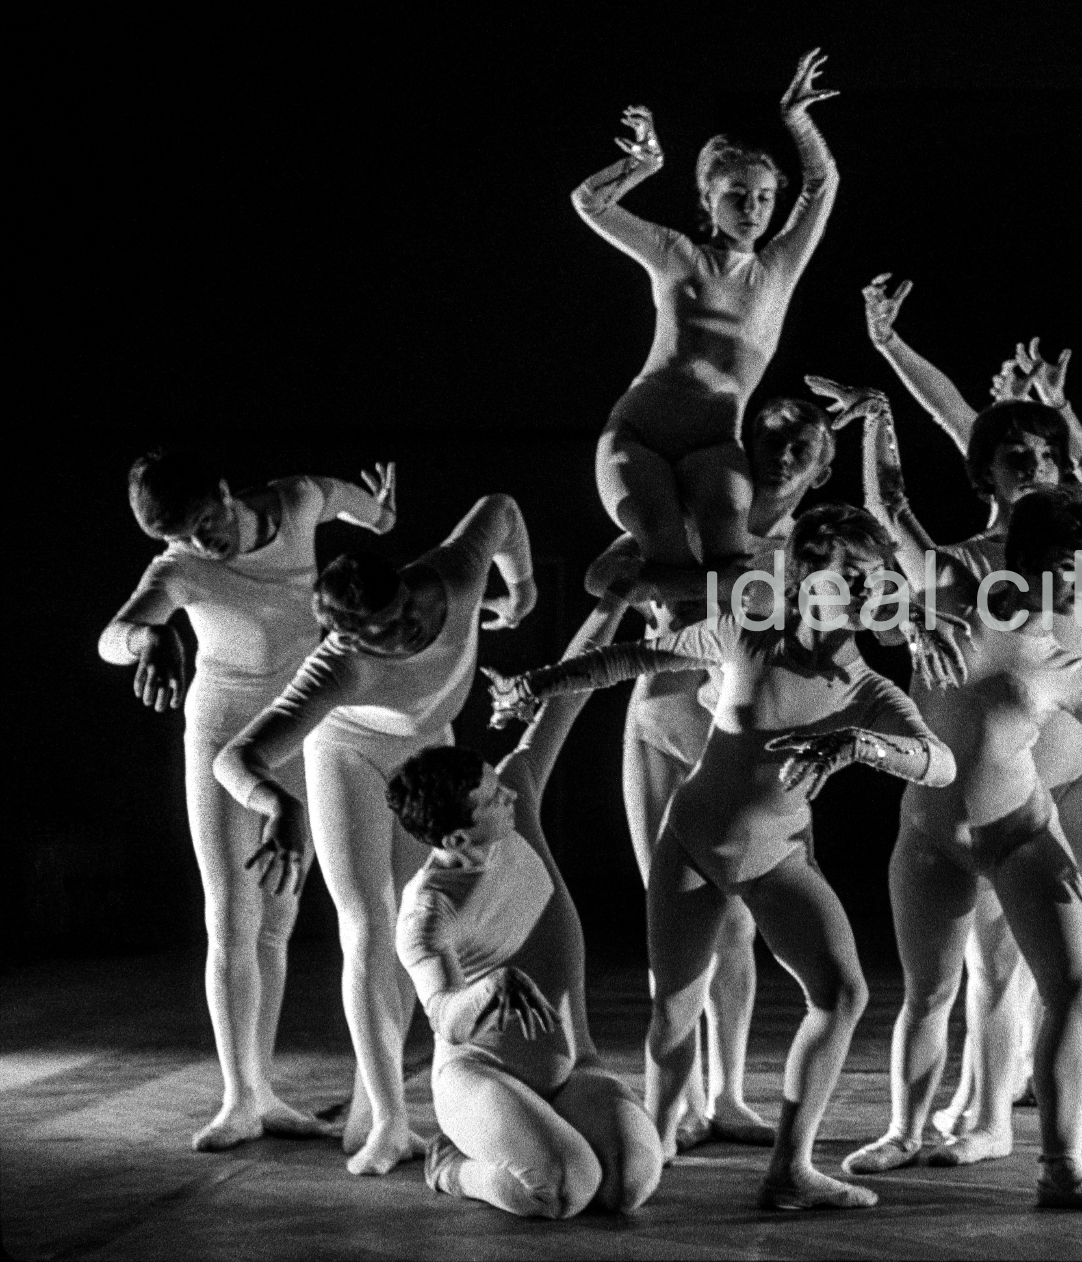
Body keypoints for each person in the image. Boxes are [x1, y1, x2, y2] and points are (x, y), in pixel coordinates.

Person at [488, 503, 957, 1211]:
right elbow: (629, 659)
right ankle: (661, 1137)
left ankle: (789, 1170)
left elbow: (940, 763)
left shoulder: (866, 689)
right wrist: (537, 684)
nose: (869, 589)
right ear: (804, 580)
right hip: (694, 844)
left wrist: (865, 746)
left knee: (842, 994)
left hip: (776, 858)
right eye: (852, 575)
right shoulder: (745, 633)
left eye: (878, 576)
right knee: (675, 1009)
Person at [842, 489, 1082, 1211]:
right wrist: (907, 612)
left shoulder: (1058, 660)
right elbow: (884, 529)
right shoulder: (943, 614)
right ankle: (904, 1130)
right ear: (1039, 562)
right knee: (929, 993)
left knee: (1069, 988)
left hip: (1020, 836)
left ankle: (1061, 1165)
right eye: (1076, 565)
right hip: (929, 837)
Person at [213, 493, 537, 1175]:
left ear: (404, 589)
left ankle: (372, 1103)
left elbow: (499, 509)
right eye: (377, 635)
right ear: (347, 638)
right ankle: (390, 1122)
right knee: (367, 922)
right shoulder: (336, 668)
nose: (400, 636)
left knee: (416, 929)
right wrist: (276, 804)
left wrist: (522, 589)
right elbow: (234, 757)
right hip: (349, 756)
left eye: (400, 618)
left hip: (425, 747)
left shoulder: (451, 575)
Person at [99, 451, 396, 1151]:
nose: (204, 544)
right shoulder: (179, 566)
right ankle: (239, 1098)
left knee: (279, 913)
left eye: (207, 524)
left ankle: (264, 1093)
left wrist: (382, 510)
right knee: (231, 910)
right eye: (182, 537)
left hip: (299, 725)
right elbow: (112, 636)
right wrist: (147, 635)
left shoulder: (297, 502)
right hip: (220, 731)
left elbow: (373, 513)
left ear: (226, 491)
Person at [598, 397, 839, 1149]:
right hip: (662, 720)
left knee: (738, 921)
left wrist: (688, 593)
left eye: (802, 441)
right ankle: (682, 1101)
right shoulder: (697, 516)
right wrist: (665, 581)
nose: (784, 451)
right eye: (770, 435)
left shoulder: (812, 543)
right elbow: (607, 576)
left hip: (744, 736)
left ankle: (728, 1094)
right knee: (673, 921)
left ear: (822, 464)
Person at [387, 605, 661, 1219]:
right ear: (456, 840)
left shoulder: (521, 801)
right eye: (490, 797)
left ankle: (549, 1133)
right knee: (565, 1190)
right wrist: (491, 989)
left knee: (628, 1185)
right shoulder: (427, 914)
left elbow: (567, 696)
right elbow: (448, 1022)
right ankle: (453, 1167)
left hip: (573, 1068)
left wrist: (612, 602)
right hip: (481, 1077)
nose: (507, 790)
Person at [574, 49, 838, 571]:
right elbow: (590, 202)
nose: (752, 208)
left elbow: (821, 184)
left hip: (715, 442)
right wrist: (643, 163)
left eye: (764, 197)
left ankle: (719, 640)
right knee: (666, 549)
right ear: (708, 199)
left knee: (729, 559)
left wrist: (797, 120)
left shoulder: (778, 268)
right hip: (639, 433)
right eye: (736, 195)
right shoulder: (678, 255)